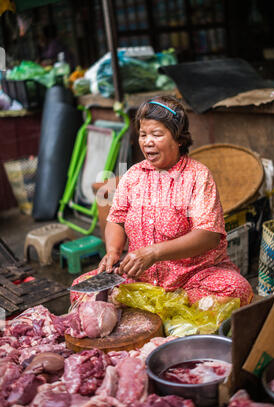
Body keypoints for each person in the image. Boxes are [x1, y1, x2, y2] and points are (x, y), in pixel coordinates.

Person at [71, 95, 253, 307]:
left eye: (156, 134)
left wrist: (154, 252)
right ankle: (160, 310)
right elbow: (116, 219)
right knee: (81, 289)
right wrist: (113, 251)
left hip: (192, 279)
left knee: (236, 289)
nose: (147, 141)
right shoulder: (133, 175)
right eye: (143, 134)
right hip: (140, 278)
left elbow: (208, 235)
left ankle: (156, 309)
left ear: (179, 139)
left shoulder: (198, 177)